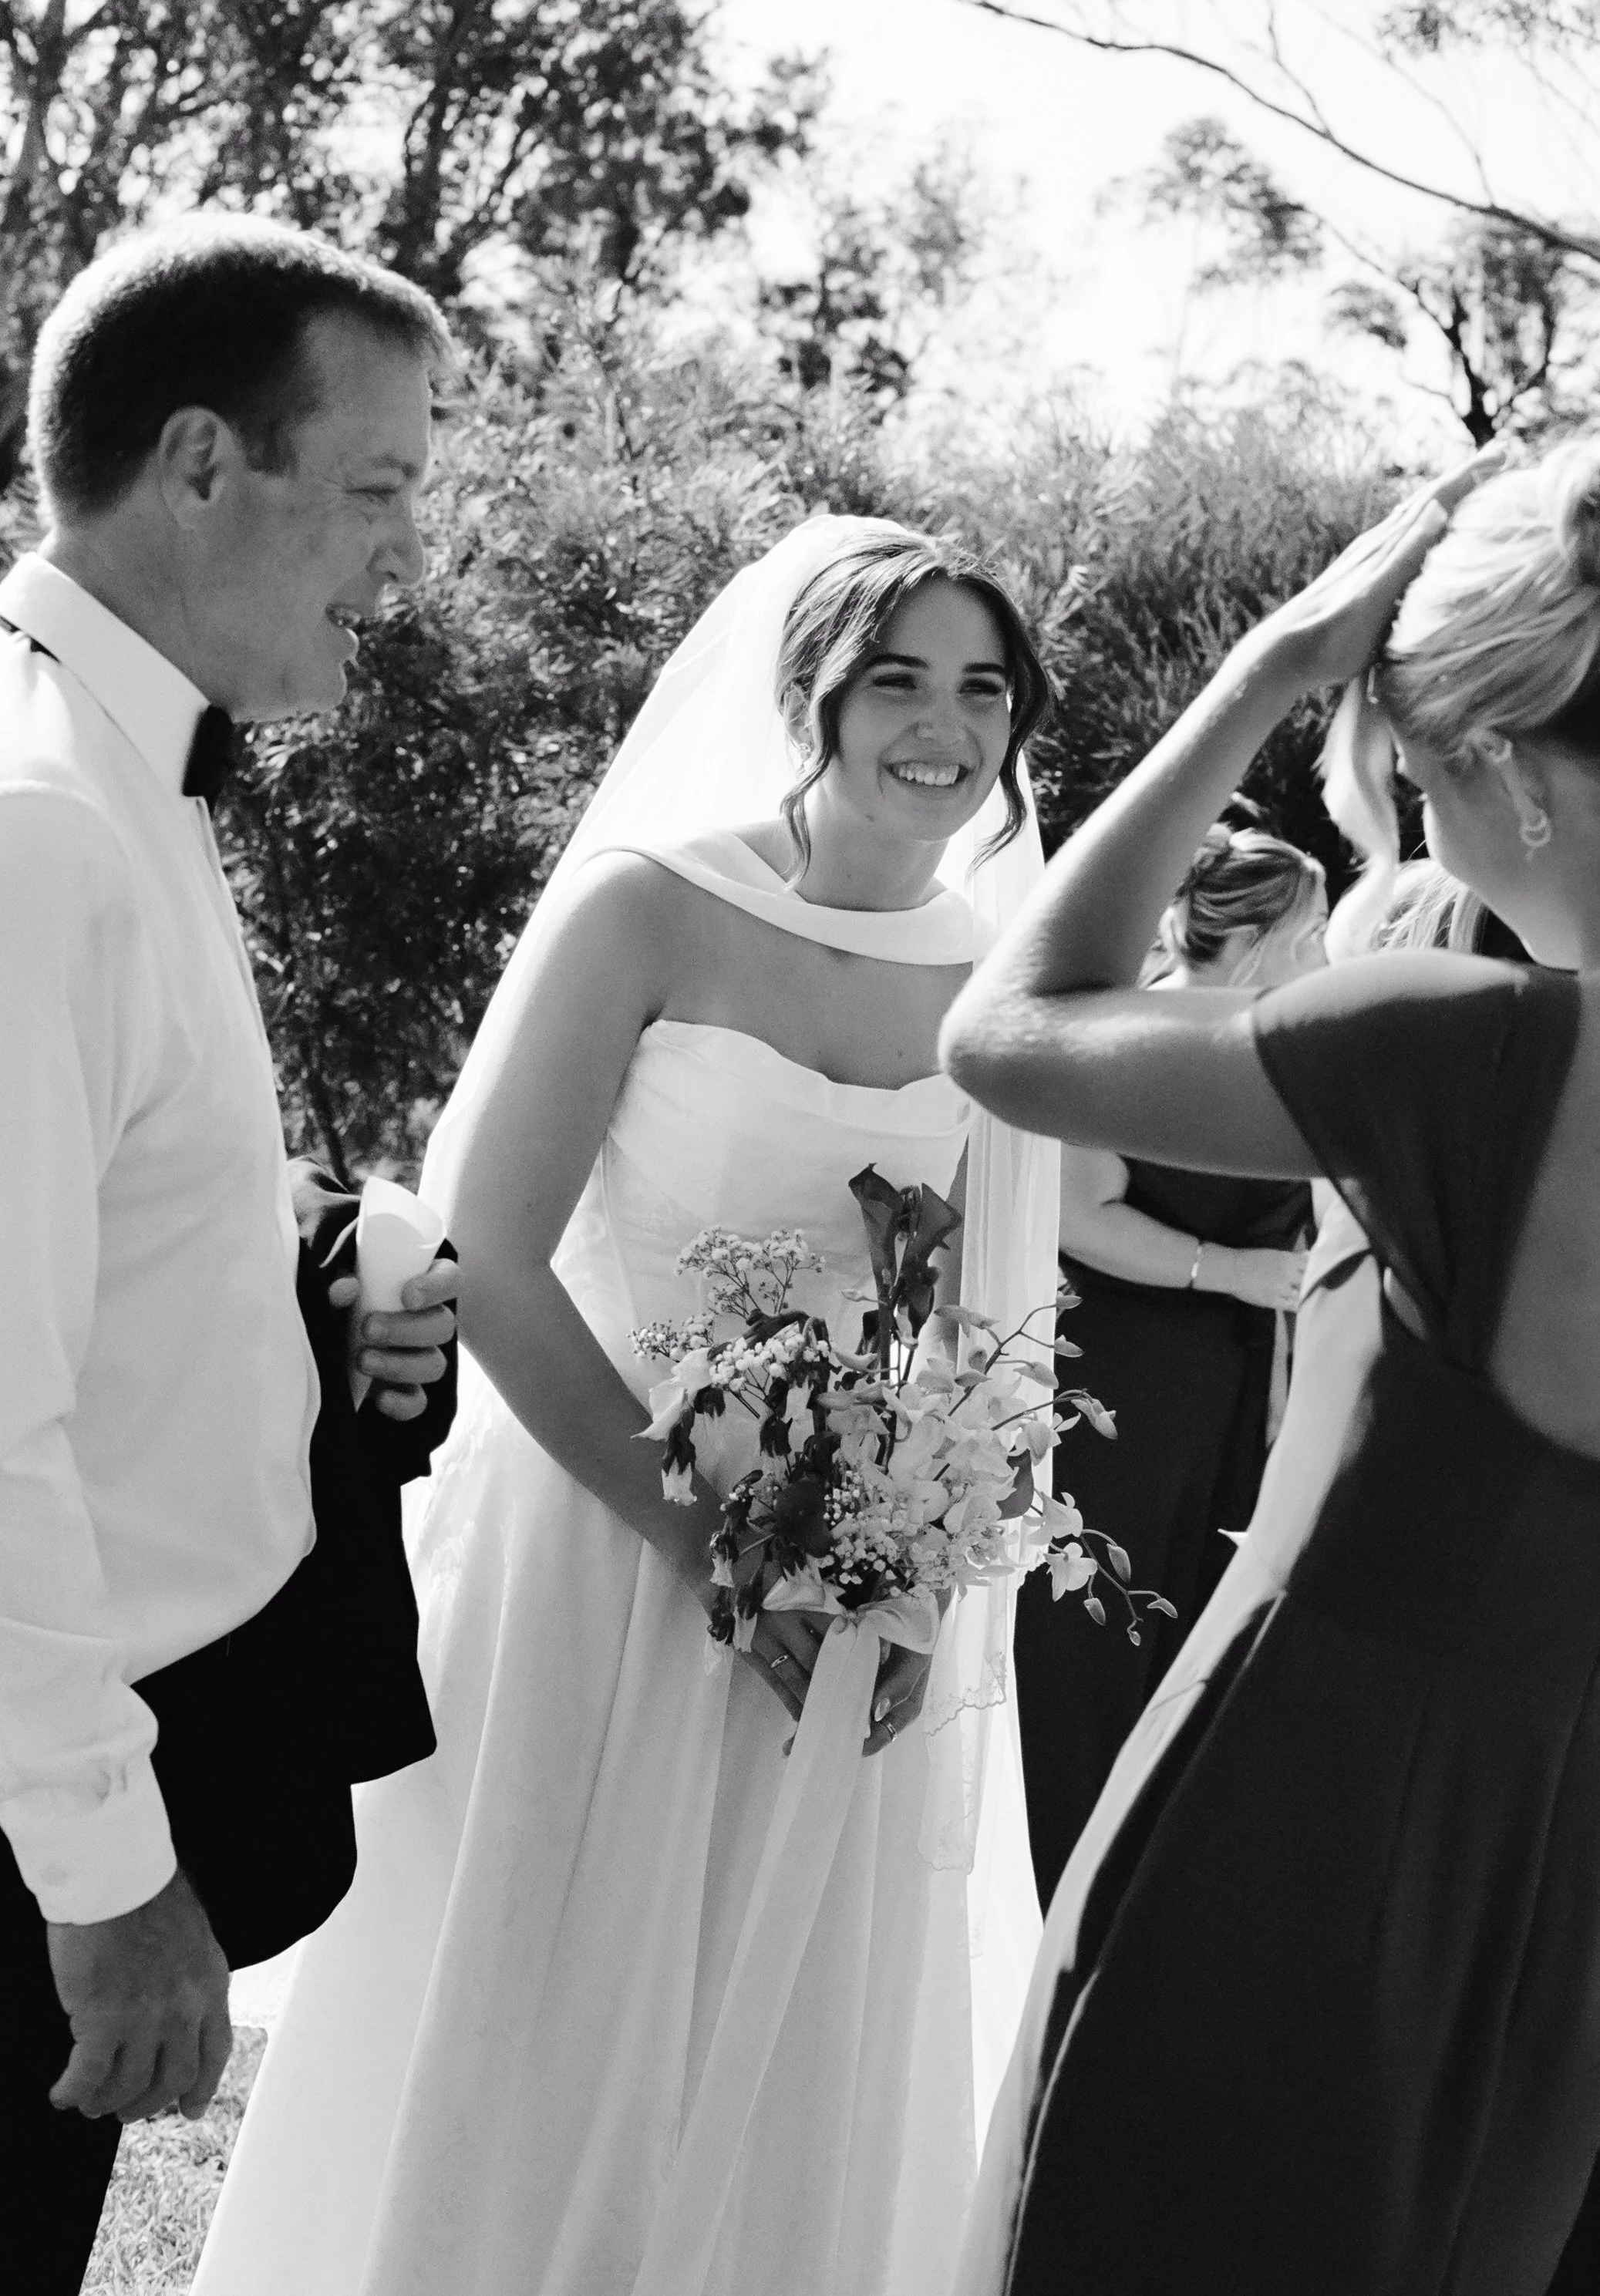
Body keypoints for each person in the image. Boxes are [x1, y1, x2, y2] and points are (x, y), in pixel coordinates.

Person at [192, 518, 1060, 2296]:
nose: (939, 725)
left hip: (843, 1568)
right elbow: (489, 1252)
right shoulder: (651, 901)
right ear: (807, 688)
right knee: (546, 2005)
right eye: (894, 677)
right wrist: (708, 1539)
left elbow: (974, 1314)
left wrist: (910, 1568)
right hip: (600, 1521)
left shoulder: (993, 965)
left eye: (981, 688)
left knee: (779, 2009)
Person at [941, 431, 1600, 2294]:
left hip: (1313, 1816)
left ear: (1488, 769)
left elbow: (1003, 1028)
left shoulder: (1452, 1050)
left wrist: (1260, 675)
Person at [0, 217, 463, 2293]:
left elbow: (105, 1207)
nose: (403, 555)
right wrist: (101, 1878)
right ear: (202, 465)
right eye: (375, 488)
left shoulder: (121, 783)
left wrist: (319, 1264)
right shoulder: (39, 828)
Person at [1016, 816, 1322, 1901]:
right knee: (1092, 1648)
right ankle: (1058, 1891)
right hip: (1118, 1387)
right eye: (1311, 928)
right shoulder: (1125, 1033)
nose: (1323, 953)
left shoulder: (1285, 1051)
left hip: (1229, 1394)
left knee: (1184, 1651)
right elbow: (1078, 1211)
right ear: (1251, 935)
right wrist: (1226, 1272)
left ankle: (1140, 1901)